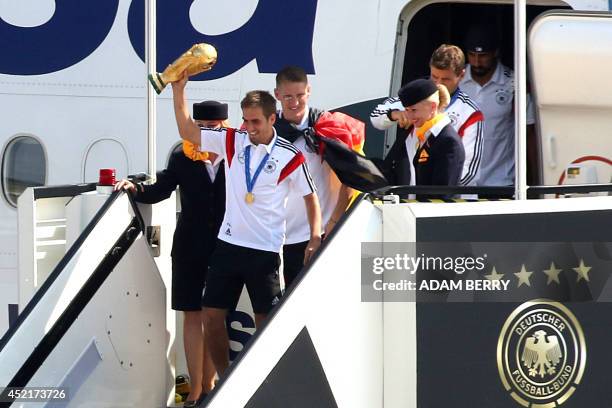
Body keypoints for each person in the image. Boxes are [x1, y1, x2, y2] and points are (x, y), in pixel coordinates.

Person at [171, 72, 322, 376]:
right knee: (212, 317)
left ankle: (263, 383)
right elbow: (188, 131)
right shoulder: (233, 141)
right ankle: (226, 378)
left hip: (264, 251)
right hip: (228, 245)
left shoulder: (289, 155)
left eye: (256, 122)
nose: (249, 128)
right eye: (246, 121)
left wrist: (315, 235)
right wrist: (179, 91)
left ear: (271, 119)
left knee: (265, 323)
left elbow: (310, 197)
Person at [115, 100, 228, 406]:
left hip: (226, 245)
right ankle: (196, 388)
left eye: (212, 128)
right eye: (201, 127)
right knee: (192, 313)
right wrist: (134, 187)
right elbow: (161, 189)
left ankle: (211, 382)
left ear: (224, 126)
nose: (206, 134)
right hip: (190, 243)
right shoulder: (183, 156)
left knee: (214, 315)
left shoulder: (238, 154)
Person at [273, 66, 357, 288]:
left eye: (300, 95)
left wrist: (333, 222)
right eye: (288, 96)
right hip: (275, 235)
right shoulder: (268, 129)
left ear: (309, 91)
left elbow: (350, 178)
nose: (294, 102)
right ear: (277, 95)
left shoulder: (327, 126)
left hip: (318, 233)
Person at [370, 44, 483, 187]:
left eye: (446, 79)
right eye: (434, 77)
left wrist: (430, 190)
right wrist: (395, 115)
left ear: (461, 75)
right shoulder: (414, 97)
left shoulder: (470, 112)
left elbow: (470, 172)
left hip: (449, 199)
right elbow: (375, 116)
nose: (438, 83)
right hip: (411, 193)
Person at [459, 24, 535, 190]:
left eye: (483, 56)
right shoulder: (456, 80)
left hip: (502, 181)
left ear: (495, 52)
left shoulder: (514, 83)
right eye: (472, 55)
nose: (477, 62)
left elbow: (529, 134)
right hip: (462, 182)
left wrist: (534, 180)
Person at [397, 78, 465, 198]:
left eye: (414, 110)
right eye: (407, 110)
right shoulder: (428, 135)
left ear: (433, 107)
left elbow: (442, 196)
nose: (409, 116)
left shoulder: (448, 141)